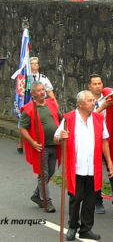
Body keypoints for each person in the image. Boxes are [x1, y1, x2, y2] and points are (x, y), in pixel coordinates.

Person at [54, 90, 113, 241]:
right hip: (76, 167)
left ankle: (86, 229)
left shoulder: (99, 119)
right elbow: (56, 138)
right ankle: (73, 226)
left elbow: (104, 141)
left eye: (93, 101)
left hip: (93, 168)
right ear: (80, 103)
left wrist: (110, 163)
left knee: (90, 201)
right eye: (89, 101)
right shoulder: (68, 119)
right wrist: (60, 137)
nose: (93, 103)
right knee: (76, 198)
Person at [19, 81, 61, 213]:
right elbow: (22, 129)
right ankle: (46, 202)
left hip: (54, 144)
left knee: (51, 172)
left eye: (43, 90)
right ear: (33, 93)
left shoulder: (52, 104)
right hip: (41, 147)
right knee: (43, 175)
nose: (42, 92)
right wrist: (32, 142)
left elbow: (61, 120)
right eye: (39, 90)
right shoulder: (29, 109)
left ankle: (37, 194)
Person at [88, 74, 113, 216]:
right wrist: (102, 107)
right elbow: (87, 118)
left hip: (108, 141)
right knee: (94, 171)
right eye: (95, 84)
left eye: (100, 83)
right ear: (89, 86)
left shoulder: (110, 97)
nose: (98, 86)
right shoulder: (85, 99)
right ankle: (98, 202)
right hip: (93, 141)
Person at [17, 57, 58, 154]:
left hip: (40, 104)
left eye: (36, 63)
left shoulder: (43, 78)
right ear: (29, 65)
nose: (35, 65)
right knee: (24, 125)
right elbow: (20, 91)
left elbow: (49, 91)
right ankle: (21, 142)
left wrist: (55, 103)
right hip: (28, 103)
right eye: (32, 63)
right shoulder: (24, 77)